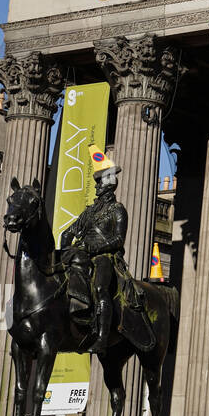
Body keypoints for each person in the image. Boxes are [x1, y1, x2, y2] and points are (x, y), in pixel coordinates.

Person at [60, 147, 128, 353]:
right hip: (81, 253)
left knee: (100, 288)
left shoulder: (117, 210)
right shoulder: (88, 212)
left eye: (100, 181)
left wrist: (96, 246)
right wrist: (64, 245)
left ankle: (102, 337)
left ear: (109, 183)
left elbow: (118, 239)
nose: (97, 185)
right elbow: (69, 232)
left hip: (104, 256)